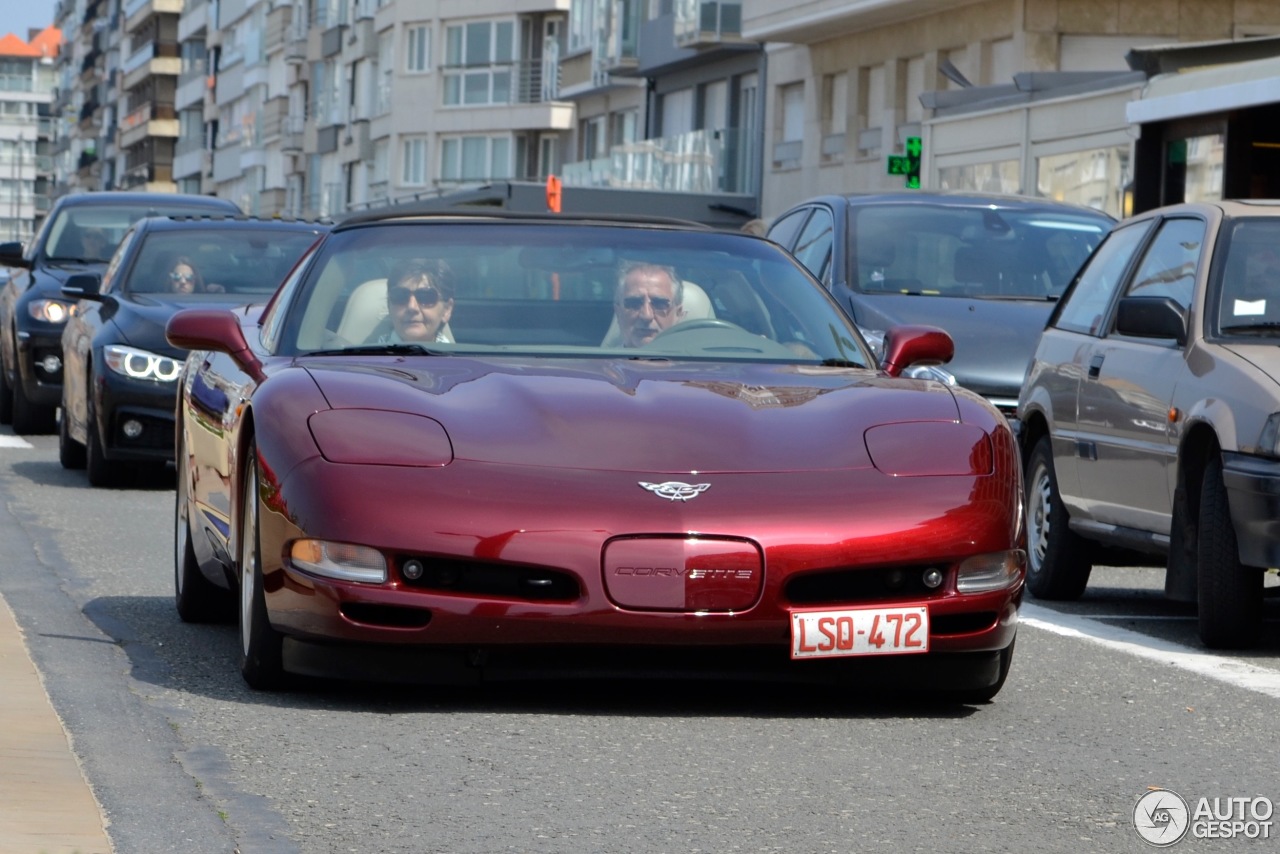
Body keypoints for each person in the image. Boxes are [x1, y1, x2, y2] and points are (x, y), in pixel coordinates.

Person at [379, 257, 456, 343]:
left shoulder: (462, 356)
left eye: (425, 297)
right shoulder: (368, 356)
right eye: (400, 296)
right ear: (389, 305)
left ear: (447, 310)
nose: (412, 307)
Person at [613, 261, 685, 347]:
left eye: (659, 304)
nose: (646, 316)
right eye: (634, 303)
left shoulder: (699, 360)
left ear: (678, 314)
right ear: (618, 313)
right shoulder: (599, 360)